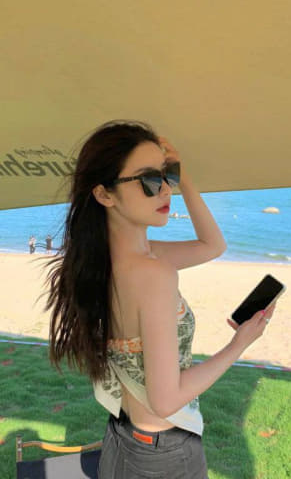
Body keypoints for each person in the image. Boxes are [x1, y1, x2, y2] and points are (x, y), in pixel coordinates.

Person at [43, 120, 278, 478]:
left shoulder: (106, 259)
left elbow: (212, 246)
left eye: (168, 176)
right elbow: (166, 400)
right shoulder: (152, 274)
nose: (166, 190)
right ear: (105, 194)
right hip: (163, 453)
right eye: (150, 180)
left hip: (124, 437)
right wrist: (239, 344)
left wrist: (184, 179)